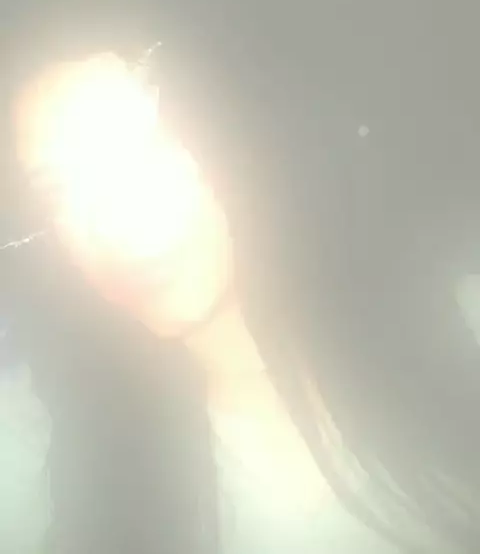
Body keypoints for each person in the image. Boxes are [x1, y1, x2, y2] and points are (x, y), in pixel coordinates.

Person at [2, 46, 480, 554]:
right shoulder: (52, 452)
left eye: (143, 146)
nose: (106, 223)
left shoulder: (456, 327)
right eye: (59, 192)